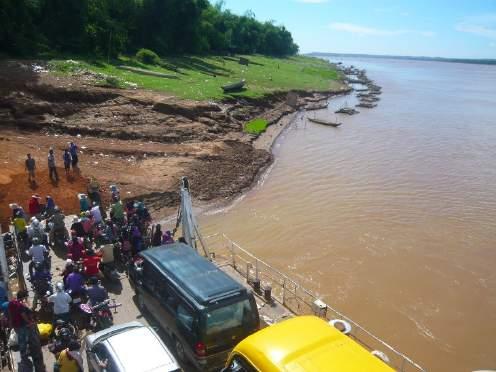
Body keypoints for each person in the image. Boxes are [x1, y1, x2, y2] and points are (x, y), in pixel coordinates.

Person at [8, 290, 46, 371]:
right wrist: (30, 322)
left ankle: (23, 356)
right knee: (26, 339)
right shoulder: (20, 305)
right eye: (25, 297)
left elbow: (10, 314)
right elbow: (23, 315)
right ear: (23, 297)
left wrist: (11, 324)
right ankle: (28, 356)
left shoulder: (11, 303)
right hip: (22, 325)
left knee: (21, 340)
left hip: (16, 325)